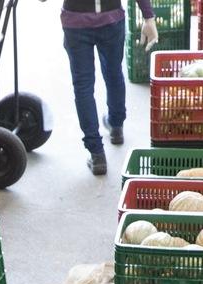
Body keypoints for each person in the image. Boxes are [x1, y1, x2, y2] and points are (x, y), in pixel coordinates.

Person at [55, 0, 158, 175]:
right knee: (113, 73)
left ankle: (97, 154)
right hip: (111, 18)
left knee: (83, 86)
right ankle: (116, 125)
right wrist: (148, 16)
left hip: (75, 20)